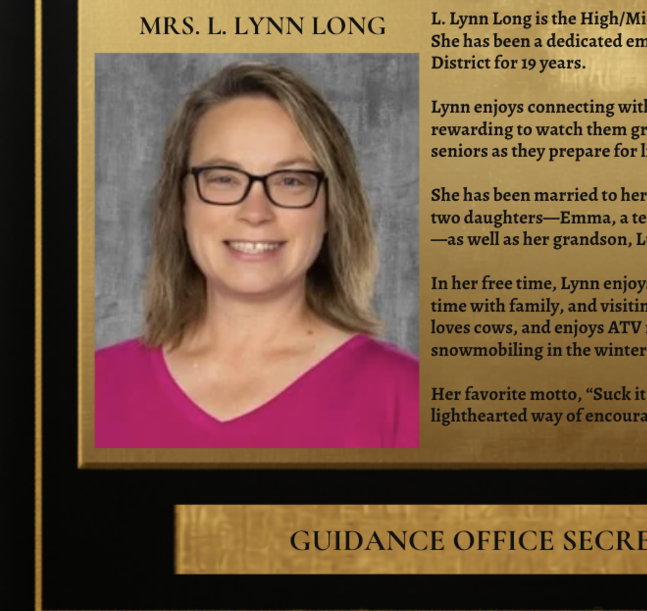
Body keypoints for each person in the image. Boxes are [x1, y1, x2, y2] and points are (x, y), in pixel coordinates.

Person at [94, 62, 419, 448]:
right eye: (223, 178)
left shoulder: (405, 395)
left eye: (291, 181)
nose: (255, 212)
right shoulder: (91, 387)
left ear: (332, 208)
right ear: (180, 203)